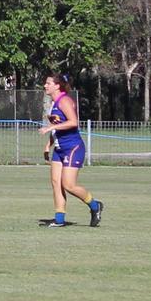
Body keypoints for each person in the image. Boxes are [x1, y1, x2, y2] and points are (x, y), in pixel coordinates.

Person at [39, 73, 103, 228]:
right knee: (56, 183)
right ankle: (59, 219)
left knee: (69, 185)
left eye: (48, 83)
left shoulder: (65, 100)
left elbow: (73, 122)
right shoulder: (53, 102)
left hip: (73, 148)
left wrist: (51, 127)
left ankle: (95, 206)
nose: (45, 86)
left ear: (57, 85)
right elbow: (60, 127)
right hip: (60, 149)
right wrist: (49, 144)